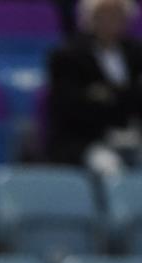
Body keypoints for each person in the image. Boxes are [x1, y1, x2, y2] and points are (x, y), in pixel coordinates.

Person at [46, 0, 142, 175]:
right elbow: (70, 105)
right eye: (102, 16)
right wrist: (121, 98)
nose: (110, 22)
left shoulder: (135, 53)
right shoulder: (68, 56)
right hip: (86, 140)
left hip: (132, 135)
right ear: (88, 19)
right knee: (112, 169)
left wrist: (106, 96)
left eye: (116, 16)